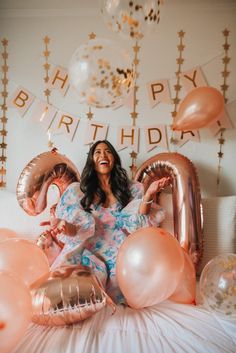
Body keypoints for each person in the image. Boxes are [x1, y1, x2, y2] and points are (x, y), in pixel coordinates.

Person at [44, 140, 170, 304]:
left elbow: (138, 224)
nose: (103, 155)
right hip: (87, 253)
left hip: (119, 256)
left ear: (115, 159)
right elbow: (74, 229)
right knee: (65, 291)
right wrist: (63, 226)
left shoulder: (132, 189)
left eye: (108, 151)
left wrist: (148, 195)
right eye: (97, 152)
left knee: (125, 284)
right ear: (91, 160)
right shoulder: (77, 191)